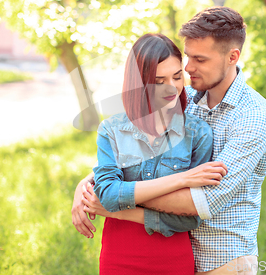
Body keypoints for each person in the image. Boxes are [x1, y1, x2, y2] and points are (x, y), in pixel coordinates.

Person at [73, 7, 266, 275]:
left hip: (223, 259)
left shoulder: (254, 117)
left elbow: (199, 202)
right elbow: (136, 154)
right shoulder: (187, 96)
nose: (189, 68)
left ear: (232, 57)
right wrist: (90, 182)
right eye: (188, 58)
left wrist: (115, 201)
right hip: (179, 251)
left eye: (200, 60)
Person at [82, 33, 228, 274]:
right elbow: (107, 195)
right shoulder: (112, 130)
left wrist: (118, 211)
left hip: (173, 258)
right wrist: (181, 179)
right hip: (119, 256)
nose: (171, 87)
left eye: (177, 76)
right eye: (159, 80)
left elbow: (191, 218)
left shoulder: (197, 133)